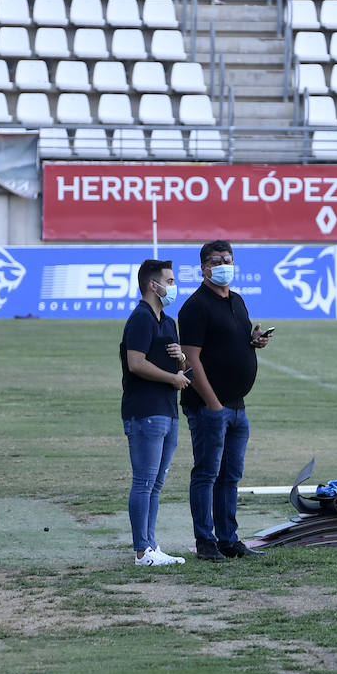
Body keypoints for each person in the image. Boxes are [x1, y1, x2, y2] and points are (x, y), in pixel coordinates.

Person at [178, 239, 271, 561]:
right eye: (216, 261)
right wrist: (213, 403)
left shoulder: (238, 301)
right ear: (203, 268)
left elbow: (230, 342)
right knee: (206, 474)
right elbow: (190, 360)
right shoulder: (195, 306)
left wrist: (253, 341)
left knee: (230, 476)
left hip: (236, 405)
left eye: (227, 260)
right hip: (209, 406)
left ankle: (229, 539)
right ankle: (205, 542)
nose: (223, 266)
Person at [120, 259, 191, 567]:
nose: (173, 287)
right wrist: (173, 379)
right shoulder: (140, 319)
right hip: (145, 411)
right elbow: (136, 363)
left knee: (156, 483)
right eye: (170, 281)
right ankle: (141, 550)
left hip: (167, 410)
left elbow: (171, 365)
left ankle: (150, 545)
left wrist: (181, 359)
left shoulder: (167, 321)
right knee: (144, 481)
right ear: (153, 285)